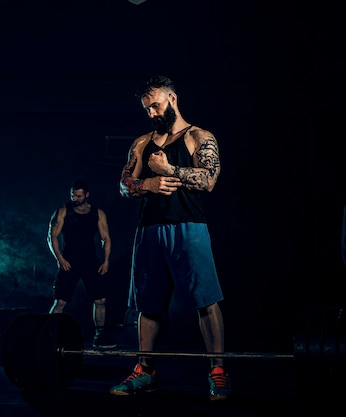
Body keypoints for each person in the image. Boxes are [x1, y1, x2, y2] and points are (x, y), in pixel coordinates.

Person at [109, 75, 230, 400]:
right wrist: (144, 185)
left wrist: (169, 170)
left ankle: (217, 372)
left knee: (205, 302)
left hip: (188, 227)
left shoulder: (198, 136)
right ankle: (145, 371)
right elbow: (124, 184)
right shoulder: (140, 143)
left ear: (172, 98)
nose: (151, 113)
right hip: (148, 230)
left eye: (156, 105)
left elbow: (209, 180)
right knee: (147, 306)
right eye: (147, 109)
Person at [47, 179, 116, 349]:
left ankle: (99, 336)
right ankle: (49, 335)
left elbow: (106, 238)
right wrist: (60, 259)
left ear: (87, 195)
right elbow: (51, 236)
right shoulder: (63, 211)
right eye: (73, 195)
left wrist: (106, 260)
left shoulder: (98, 213)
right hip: (69, 262)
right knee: (60, 302)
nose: (75, 198)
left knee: (100, 300)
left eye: (78, 196)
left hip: (91, 262)